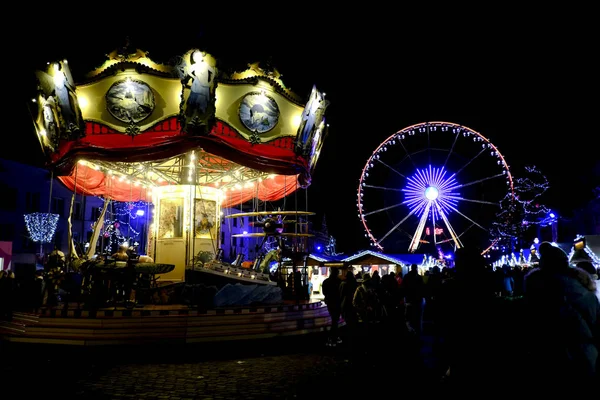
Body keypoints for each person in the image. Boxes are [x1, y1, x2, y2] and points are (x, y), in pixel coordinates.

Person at [322, 267, 342, 347]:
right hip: (337, 302)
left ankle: (333, 336)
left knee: (334, 319)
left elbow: (324, 292)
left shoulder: (326, 281)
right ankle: (333, 336)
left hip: (330, 302)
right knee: (335, 319)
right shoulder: (339, 281)